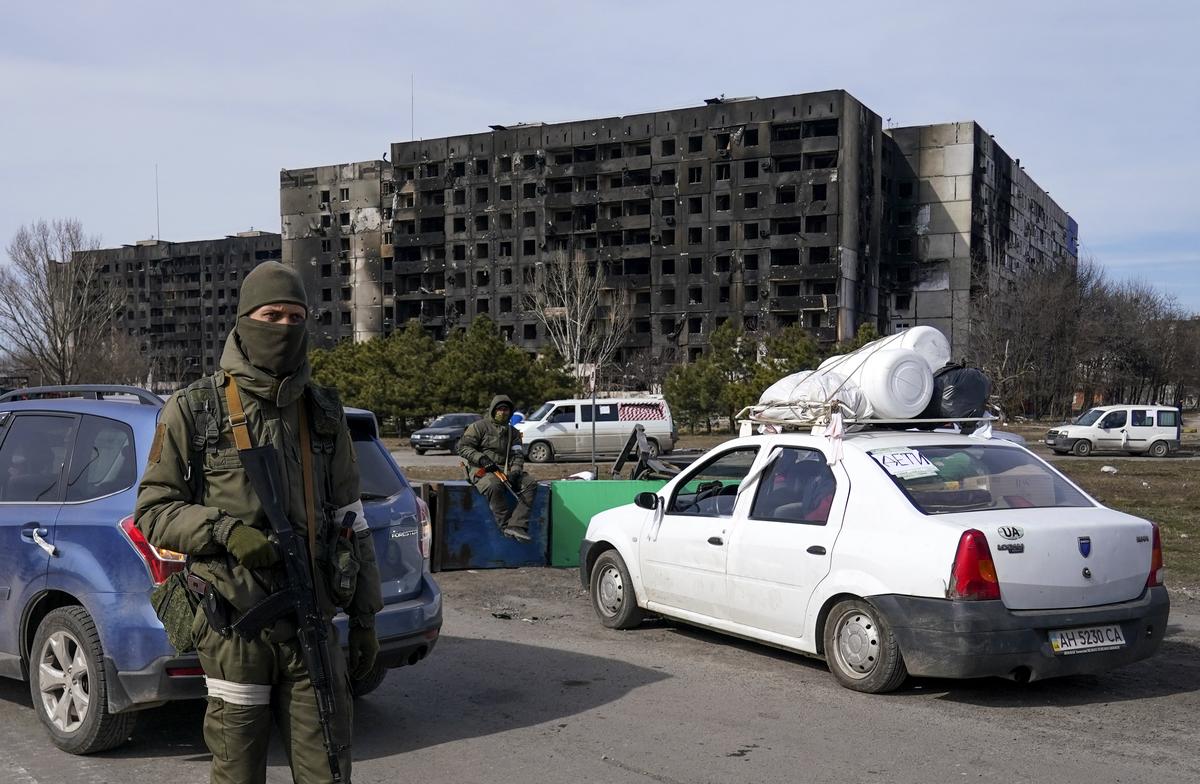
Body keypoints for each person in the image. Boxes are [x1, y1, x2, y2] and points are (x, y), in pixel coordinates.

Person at [135, 261, 382, 784]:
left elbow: (350, 519)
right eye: (272, 315)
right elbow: (154, 510)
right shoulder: (194, 409)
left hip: (310, 620)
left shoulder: (323, 411)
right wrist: (224, 531)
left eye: (296, 317)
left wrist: (365, 619)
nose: (285, 328)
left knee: (328, 771)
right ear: (246, 320)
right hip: (234, 624)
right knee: (238, 772)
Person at [457, 395, 538, 542]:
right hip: (481, 469)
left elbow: (517, 454)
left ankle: (517, 525)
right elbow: (463, 448)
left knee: (530, 483)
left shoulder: (513, 432)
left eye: (506, 409)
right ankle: (505, 525)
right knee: (494, 485)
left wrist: (515, 471)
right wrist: (482, 459)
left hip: (505, 469)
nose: (503, 412)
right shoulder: (478, 427)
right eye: (500, 409)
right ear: (493, 410)